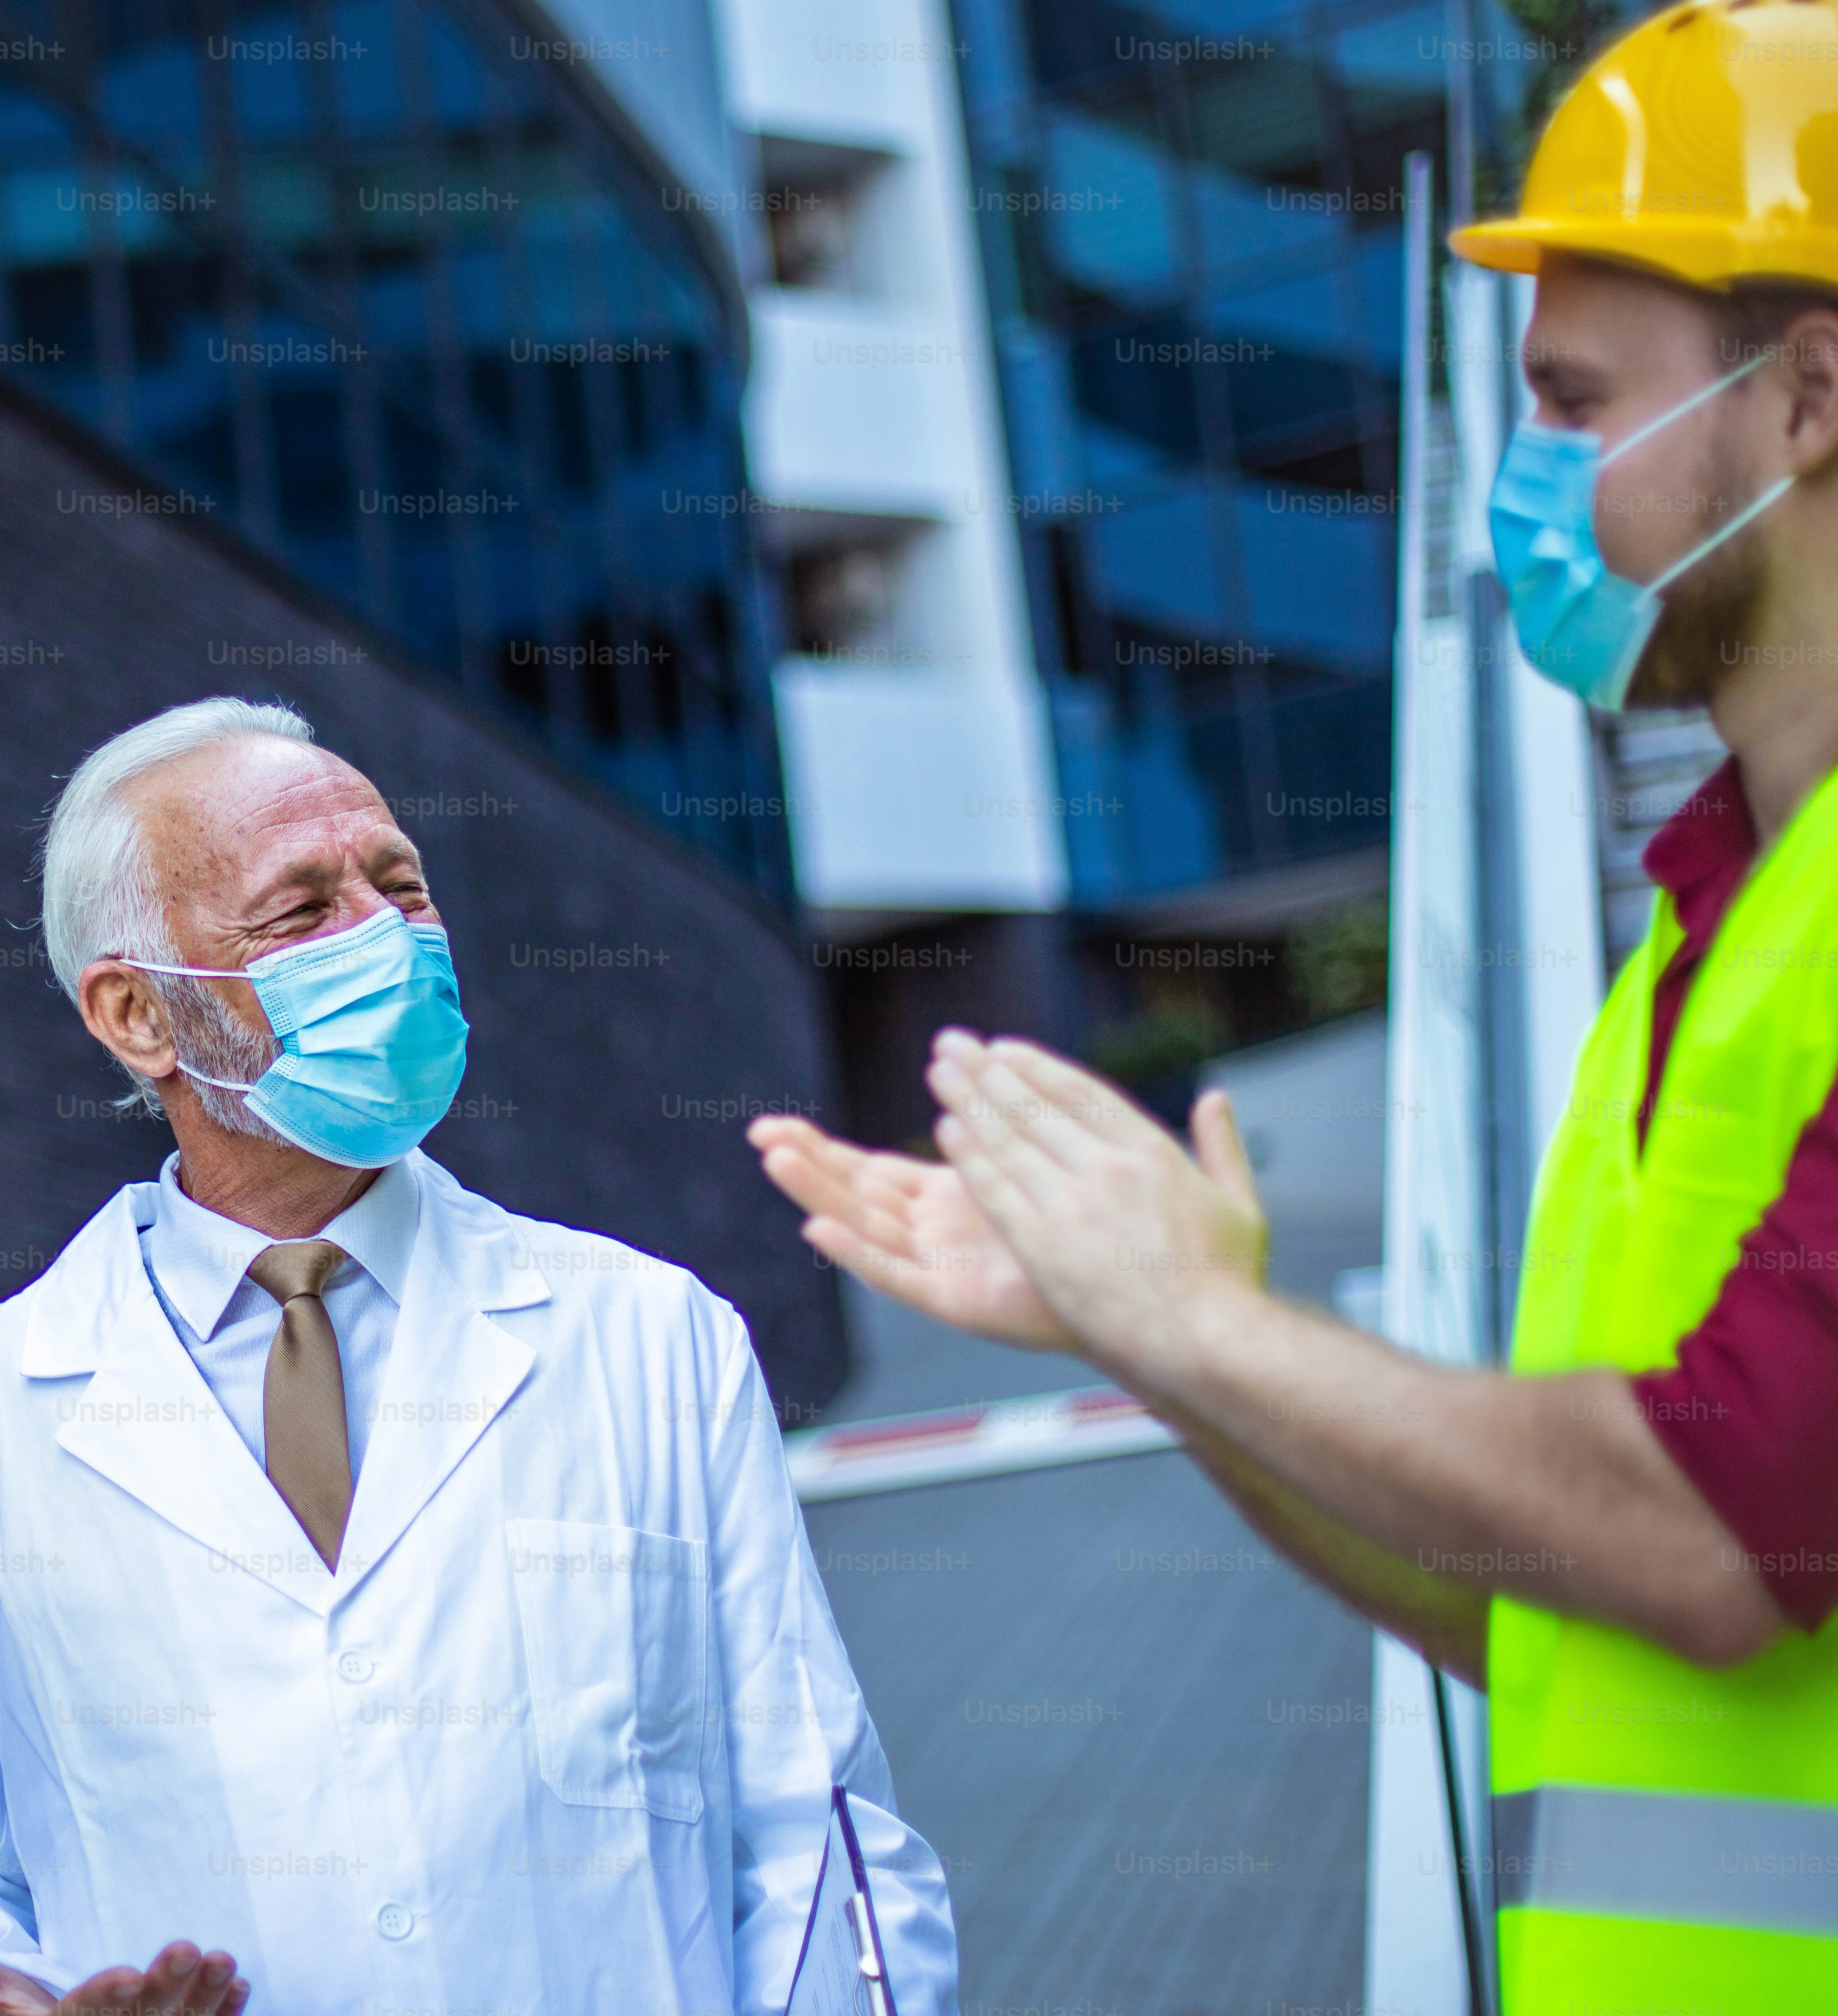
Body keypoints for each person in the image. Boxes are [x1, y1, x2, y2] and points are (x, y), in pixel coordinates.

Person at [757, 7, 1838, 2007]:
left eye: (1580, 400)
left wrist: (1199, 1309)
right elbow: (1547, 1604)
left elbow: (1716, 1535)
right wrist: (1167, 1344)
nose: (1530, 483)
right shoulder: (1706, 935)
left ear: (1808, 395)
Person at [0, 699, 957, 2016]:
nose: (387, 940)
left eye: (399, 887)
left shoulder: (651, 1337)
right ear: (136, 1016)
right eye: (300, 913)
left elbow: (818, 1831)